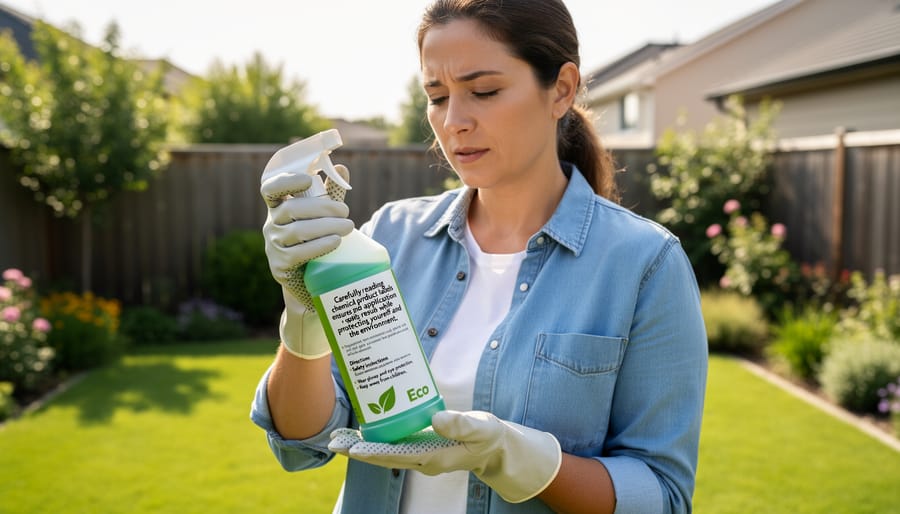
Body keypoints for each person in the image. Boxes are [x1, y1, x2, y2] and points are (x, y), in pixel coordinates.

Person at [251, 0, 708, 513]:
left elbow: (662, 498)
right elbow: (301, 441)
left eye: (484, 91)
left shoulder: (643, 264)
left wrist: (528, 462)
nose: (454, 121)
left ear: (561, 89)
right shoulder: (389, 238)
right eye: (437, 96)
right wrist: (303, 320)